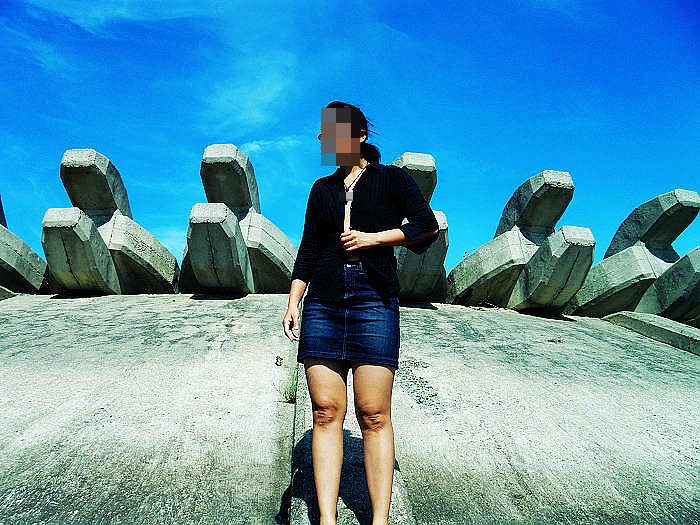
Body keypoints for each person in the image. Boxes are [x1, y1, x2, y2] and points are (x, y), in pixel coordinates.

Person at [282, 101, 439, 525]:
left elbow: (426, 225)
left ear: (359, 135)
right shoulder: (322, 189)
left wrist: (373, 239)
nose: (325, 138)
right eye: (323, 132)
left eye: (332, 130)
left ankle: (379, 520)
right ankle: (327, 519)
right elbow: (309, 248)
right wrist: (294, 301)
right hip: (324, 302)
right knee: (324, 411)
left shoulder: (392, 179)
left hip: (374, 298)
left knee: (373, 414)